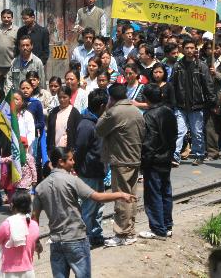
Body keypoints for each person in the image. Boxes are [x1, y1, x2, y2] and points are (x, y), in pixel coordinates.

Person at [32, 147, 136, 278]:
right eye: (70, 159)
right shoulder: (72, 180)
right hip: (76, 239)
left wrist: (36, 242)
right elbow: (97, 196)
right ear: (61, 162)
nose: (74, 162)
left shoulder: (41, 188)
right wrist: (120, 194)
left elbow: (34, 218)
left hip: (56, 242)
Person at [96, 84, 145, 247]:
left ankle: (121, 234)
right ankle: (129, 231)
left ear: (111, 98)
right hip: (134, 158)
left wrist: (106, 110)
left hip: (121, 160)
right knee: (131, 196)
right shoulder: (136, 111)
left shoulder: (114, 112)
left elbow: (99, 129)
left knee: (121, 198)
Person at [139, 85, 177, 239]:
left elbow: (149, 142)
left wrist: (144, 162)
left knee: (153, 194)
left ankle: (157, 229)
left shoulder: (149, 116)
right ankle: (167, 225)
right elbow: (174, 135)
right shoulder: (169, 112)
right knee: (165, 192)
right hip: (166, 158)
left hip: (154, 161)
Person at [169, 40, 215, 166]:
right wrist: (172, 102)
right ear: (182, 49)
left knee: (197, 132)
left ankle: (199, 155)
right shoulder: (177, 66)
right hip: (180, 105)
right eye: (187, 48)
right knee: (180, 131)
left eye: (192, 48)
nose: (189, 50)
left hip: (197, 105)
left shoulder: (201, 66)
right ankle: (175, 157)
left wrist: (212, 101)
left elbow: (208, 85)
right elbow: (172, 85)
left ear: (195, 49)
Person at [74, 89, 108, 247]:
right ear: (102, 106)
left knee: (98, 206)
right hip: (89, 172)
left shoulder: (97, 121)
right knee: (88, 207)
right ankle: (84, 238)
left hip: (99, 171)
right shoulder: (87, 125)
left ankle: (96, 234)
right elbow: (79, 149)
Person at [0, 191, 41, 278]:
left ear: (12, 205)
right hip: (28, 272)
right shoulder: (34, 225)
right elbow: (35, 245)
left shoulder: (7, 224)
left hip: (8, 272)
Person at [46, 85, 82, 162]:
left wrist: (74, 150)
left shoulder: (74, 113)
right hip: (55, 150)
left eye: (64, 97)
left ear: (69, 97)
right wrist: (49, 149)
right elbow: (49, 132)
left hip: (68, 151)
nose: (62, 100)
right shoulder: (53, 112)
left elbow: (77, 133)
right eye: (60, 97)